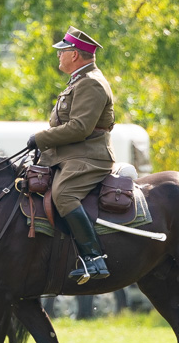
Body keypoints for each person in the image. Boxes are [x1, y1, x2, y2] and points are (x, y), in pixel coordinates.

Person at [27, 26, 115, 284]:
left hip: (89, 157)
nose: (58, 56)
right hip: (69, 155)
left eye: (61, 51)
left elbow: (79, 128)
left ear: (75, 55)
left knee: (64, 194)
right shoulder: (79, 81)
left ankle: (93, 257)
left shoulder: (91, 83)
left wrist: (40, 138)